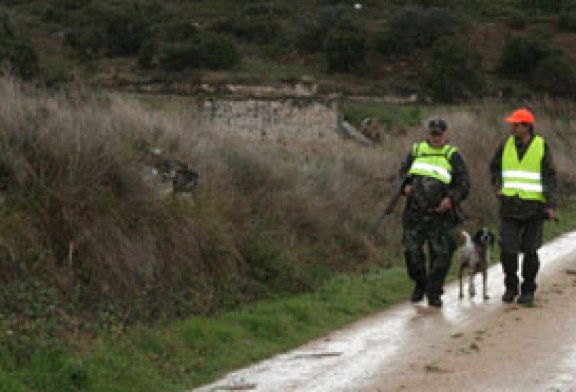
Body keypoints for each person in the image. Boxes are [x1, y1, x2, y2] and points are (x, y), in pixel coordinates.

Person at [399, 118, 470, 307]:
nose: (436, 137)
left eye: (439, 134)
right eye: (433, 133)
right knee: (412, 254)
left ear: (446, 135)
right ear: (428, 134)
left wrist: (451, 199)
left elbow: (464, 184)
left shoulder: (452, 155)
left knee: (441, 256)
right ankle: (420, 284)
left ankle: (434, 291)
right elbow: (403, 173)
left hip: (440, 216)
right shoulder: (416, 151)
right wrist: (405, 187)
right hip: (415, 214)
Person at [490, 108, 557, 305]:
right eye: (512, 124)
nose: (513, 127)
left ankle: (528, 290)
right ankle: (511, 286)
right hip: (510, 206)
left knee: (530, 251)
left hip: (534, 208)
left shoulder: (541, 145)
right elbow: (494, 167)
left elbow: (549, 176)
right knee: (508, 250)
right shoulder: (505, 144)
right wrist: (497, 185)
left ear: (527, 126)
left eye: (516, 124)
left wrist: (550, 204)